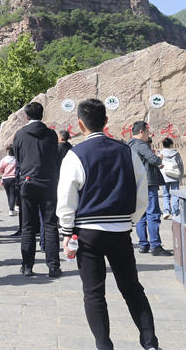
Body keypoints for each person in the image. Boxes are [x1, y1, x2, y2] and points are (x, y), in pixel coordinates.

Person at [56, 99, 157, 350]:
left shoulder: (75, 155)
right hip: (120, 231)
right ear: (106, 121)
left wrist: (66, 231)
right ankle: (150, 343)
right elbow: (140, 192)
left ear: (80, 124)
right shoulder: (127, 151)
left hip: (88, 234)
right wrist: (129, 220)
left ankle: (104, 345)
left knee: (94, 293)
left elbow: (67, 197)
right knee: (132, 289)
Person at [13, 101, 61, 277]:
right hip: (48, 182)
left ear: (26, 116)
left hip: (27, 182)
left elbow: (18, 158)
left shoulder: (20, 134)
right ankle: (53, 266)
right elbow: (54, 156)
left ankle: (27, 266)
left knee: (27, 226)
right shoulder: (51, 134)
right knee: (50, 225)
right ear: (43, 115)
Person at [128, 121, 171, 256]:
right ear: (141, 131)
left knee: (141, 214)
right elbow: (153, 159)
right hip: (148, 183)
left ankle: (143, 244)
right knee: (153, 214)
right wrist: (159, 159)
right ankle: (156, 245)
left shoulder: (129, 145)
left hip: (136, 183)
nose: (148, 134)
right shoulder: (140, 144)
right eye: (147, 131)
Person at [159, 137, 184, 219]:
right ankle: (175, 212)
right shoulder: (176, 153)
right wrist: (181, 175)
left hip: (164, 176)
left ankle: (166, 211)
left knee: (165, 194)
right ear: (171, 144)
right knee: (175, 194)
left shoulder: (161, 154)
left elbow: (158, 165)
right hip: (174, 176)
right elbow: (180, 164)